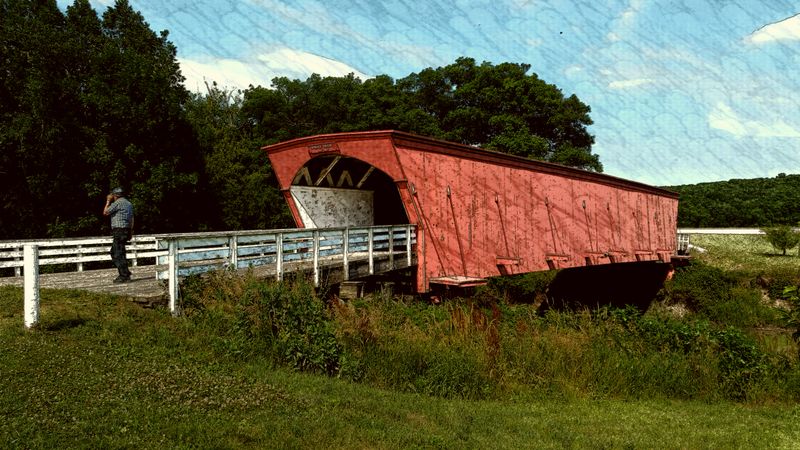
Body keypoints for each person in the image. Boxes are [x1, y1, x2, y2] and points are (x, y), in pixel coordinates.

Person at [103, 187, 134, 283]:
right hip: (126, 230)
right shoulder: (128, 203)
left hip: (119, 230)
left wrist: (108, 201)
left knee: (116, 253)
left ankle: (124, 275)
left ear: (115, 195)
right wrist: (131, 231)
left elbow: (105, 212)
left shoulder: (117, 203)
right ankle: (126, 273)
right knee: (120, 252)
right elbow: (132, 218)